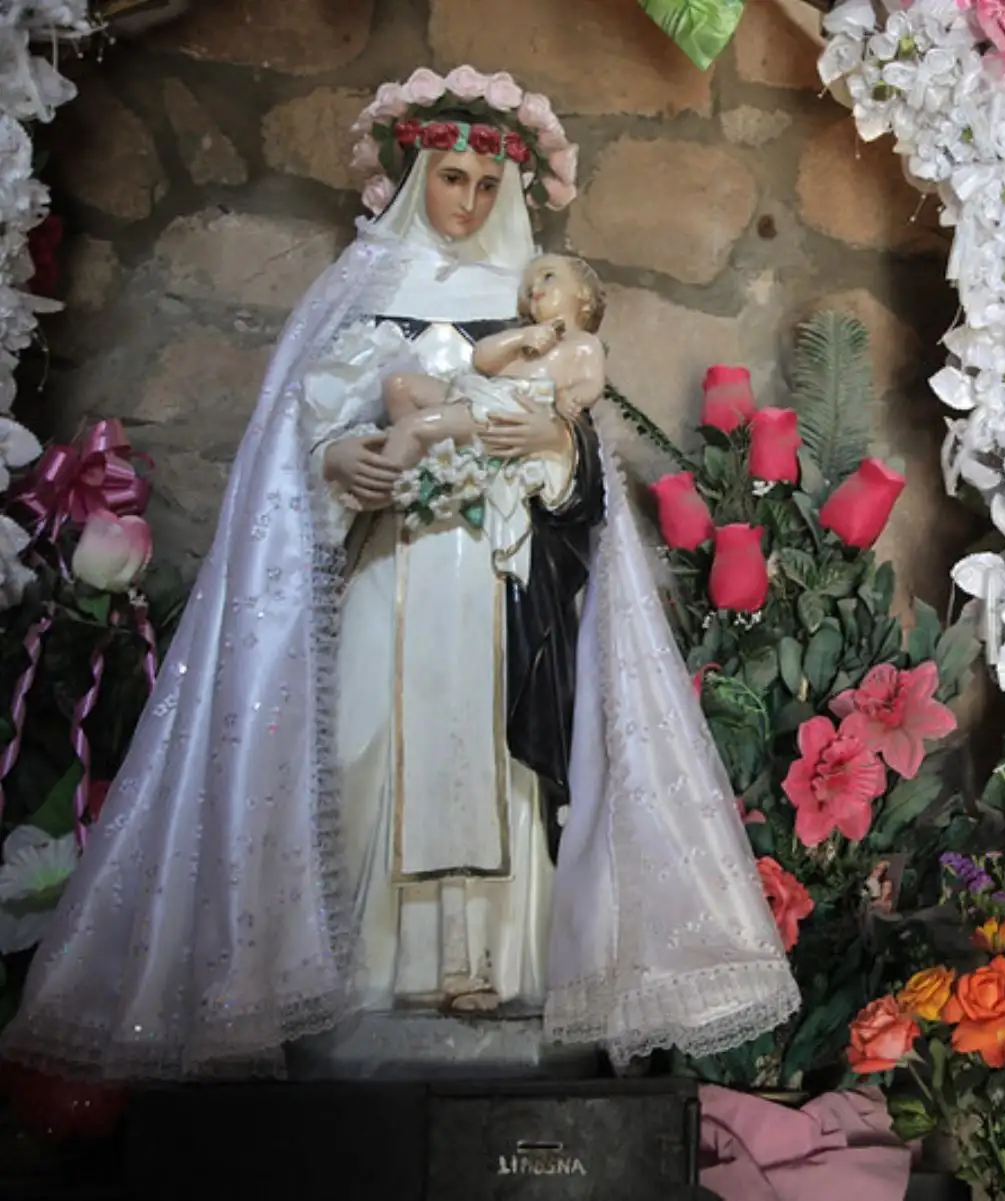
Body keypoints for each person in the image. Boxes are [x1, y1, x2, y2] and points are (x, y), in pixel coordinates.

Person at [0, 68, 798, 1078]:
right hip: (389, 573)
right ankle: (363, 979)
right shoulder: (366, 295)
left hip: (501, 589)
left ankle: (500, 970)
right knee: (365, 753)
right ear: (417, 175)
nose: (466, 202)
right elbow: (299, 452)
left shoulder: (532, 311)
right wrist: (343, 459)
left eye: (485, 185)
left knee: (503, 772)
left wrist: (554, 454)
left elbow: (580, 482)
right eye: (450, 179)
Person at [379, 254, 607, 473]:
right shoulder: (523, 339)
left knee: (412, 427)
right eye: (529, 291)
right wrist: (521, 337)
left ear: (583, 292)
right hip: (479, 392)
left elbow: (592, 382)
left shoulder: (583, 344)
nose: (536, 289)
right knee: (398, 386)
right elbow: (482, 360)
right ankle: (422, 463)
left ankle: (387, 482)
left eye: (548, 276)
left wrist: (572, 397)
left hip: (502, 412)